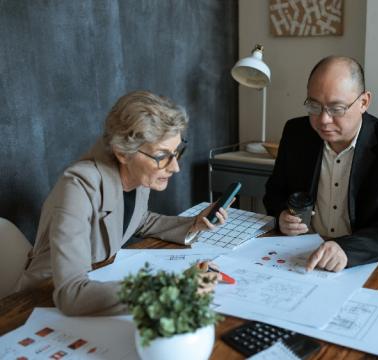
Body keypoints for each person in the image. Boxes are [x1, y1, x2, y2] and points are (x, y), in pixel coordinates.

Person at [17, 91, 228, 316]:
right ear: (123, 153)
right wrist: (170, 288)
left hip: (98, 283)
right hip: (38, 304)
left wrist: (194, 224)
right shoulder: (77, 187)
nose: (175, 167)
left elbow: (138, 219)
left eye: (176, 153)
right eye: (162, 155)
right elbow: (71, 293)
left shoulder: (138, 174)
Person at [264, 56, 378, 273]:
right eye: (314, 105)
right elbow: (274, 192)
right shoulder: (296, 133)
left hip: (364, 262)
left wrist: (348, 249)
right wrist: (281, 215)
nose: (323, 120)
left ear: (364, 102)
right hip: (301, 255)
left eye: (336, 108)